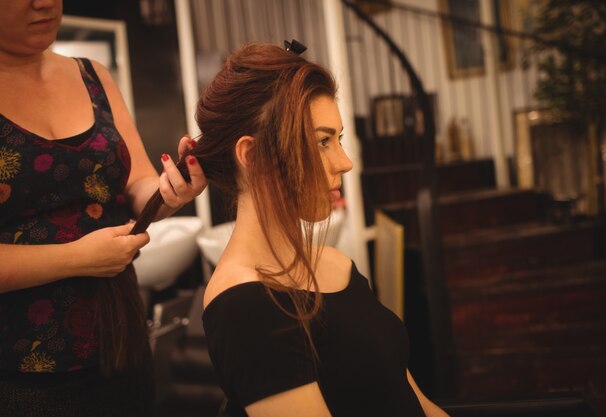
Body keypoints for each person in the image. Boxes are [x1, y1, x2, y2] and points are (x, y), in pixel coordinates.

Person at [132, 41, 448, 417]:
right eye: (321, 142)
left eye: (338, 139)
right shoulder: (245, 306)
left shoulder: (339, 268)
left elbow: (412, 401)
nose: (345, 163)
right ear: (251, 156)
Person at [0, 1, 207, 416]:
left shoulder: (93, 76)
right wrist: (77, 259)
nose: (43, 3)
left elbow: (138, 184)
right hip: (21, 365)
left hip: (121, 341)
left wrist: (171, 190)